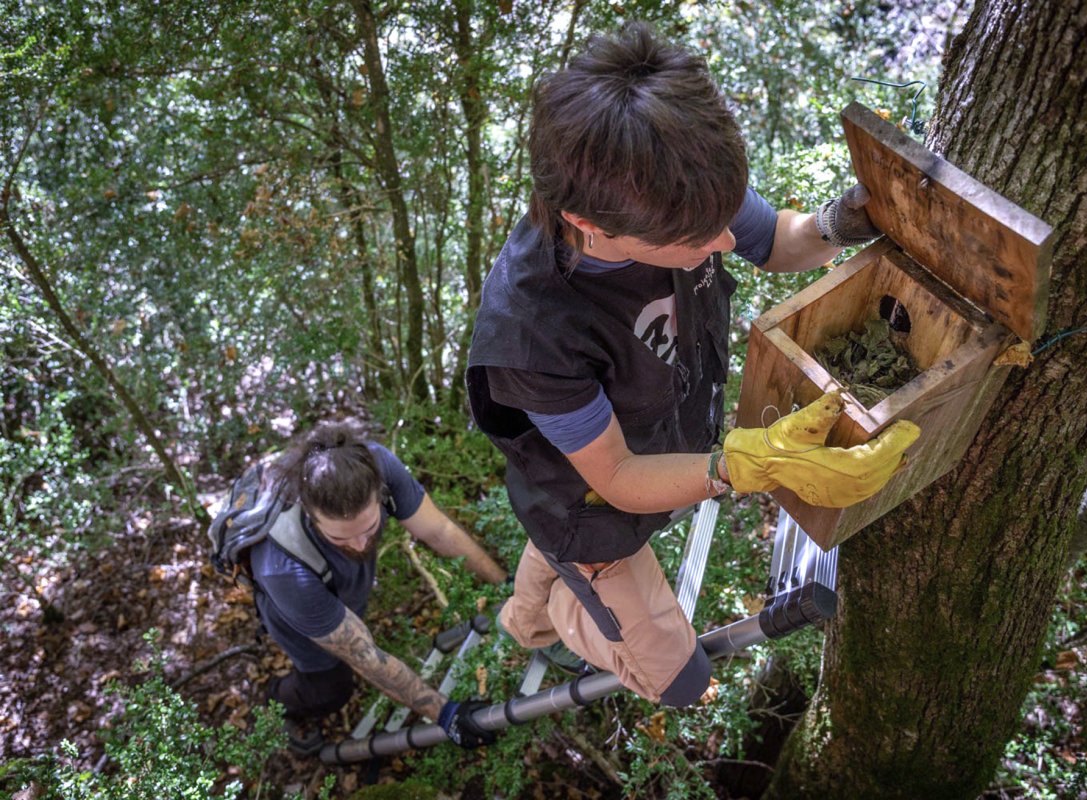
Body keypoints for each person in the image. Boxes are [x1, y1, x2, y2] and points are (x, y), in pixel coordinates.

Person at [466, 23, 919, 707]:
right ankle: (554, 616)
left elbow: (777, 242)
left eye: (722, 218)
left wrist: (843, 222)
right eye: (695, 240)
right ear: (592, 225)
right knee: (678, 683)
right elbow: (615, 476)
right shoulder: (534, 332)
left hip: (644, 455)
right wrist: (737, 467)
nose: (725, 241)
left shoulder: (674, 181)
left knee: (559, 547)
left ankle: (530, 602)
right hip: (587, 501)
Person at [253, 419, 504, 753]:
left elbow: (438, 531)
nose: (359, 545)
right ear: (311, 517)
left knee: (350, 600)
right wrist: (445, 713)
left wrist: (505, 586)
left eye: (369, 527)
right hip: (292, 606)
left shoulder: (377, 465)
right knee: (331, 688)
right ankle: (276, 701)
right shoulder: (283, 569)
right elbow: (364, 657)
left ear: (379, 492)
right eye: (339, 536)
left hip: (332, 580)